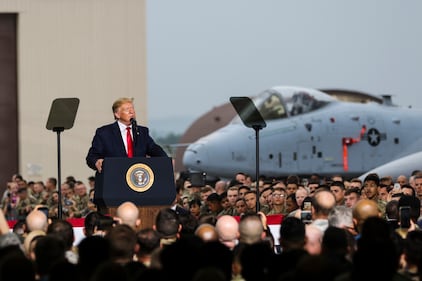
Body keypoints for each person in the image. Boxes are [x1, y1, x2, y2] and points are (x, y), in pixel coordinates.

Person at [86, 97, 168, 173]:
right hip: (114, 177)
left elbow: (155, 150)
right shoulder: (104, 133)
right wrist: (97, 162)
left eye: (132, 109)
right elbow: (92, 157)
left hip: (137, 178)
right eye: (127, 109)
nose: (132, 112)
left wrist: (166, 160)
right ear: (117, 114)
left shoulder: (142, 132)